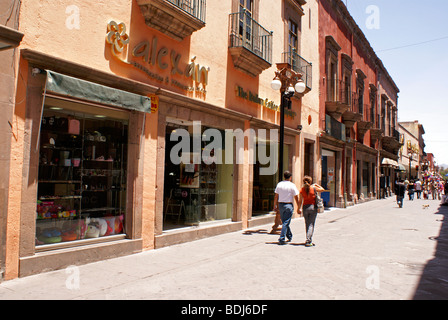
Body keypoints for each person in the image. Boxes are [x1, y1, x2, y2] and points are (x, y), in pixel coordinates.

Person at [297, 176, 325, 247]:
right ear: (310, 182)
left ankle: (308, 239)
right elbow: (322, 189)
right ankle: (308, 240)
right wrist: (316, 184)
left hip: (305, 208)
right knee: (311, 224)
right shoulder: (313, 188)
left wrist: (298, 208)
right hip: (313, 207)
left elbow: (300, 200)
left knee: (307, 223)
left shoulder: (302, 189)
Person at [273, 171, 300, 245]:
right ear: (290, 177)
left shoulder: (279, 184)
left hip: (281, 205)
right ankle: (282, 238)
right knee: (286, 222)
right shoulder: (292, 185)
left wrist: (275, 205)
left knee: (285, 221)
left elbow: (276, 196)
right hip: (288, 205)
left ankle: (289, 236)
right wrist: (298, 206)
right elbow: (296, 196)